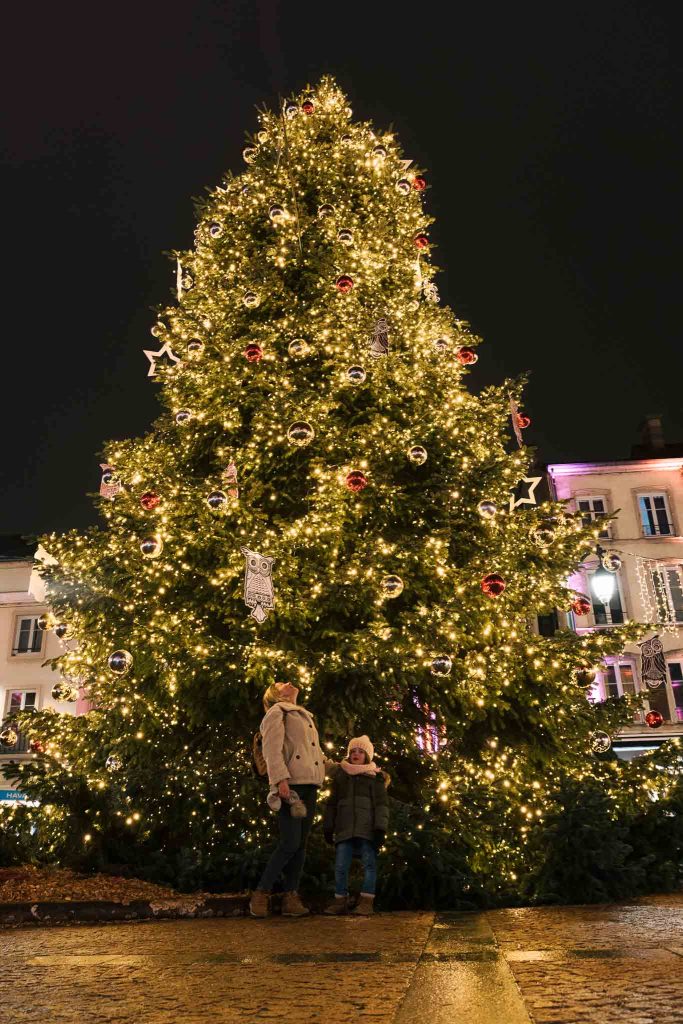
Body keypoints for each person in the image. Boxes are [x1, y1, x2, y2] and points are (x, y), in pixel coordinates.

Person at [249, 681, 326, 918]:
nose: (289, 683)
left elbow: (316, 754)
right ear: (275, 695)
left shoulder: (304, 716)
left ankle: (290, 897)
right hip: (290, 785)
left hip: (310, 784)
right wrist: (280, 780)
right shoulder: (277, 712)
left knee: (300, 844)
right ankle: (261, 893)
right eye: (281, 684)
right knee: (290, 843)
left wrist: (344, 767)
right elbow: (271, 750)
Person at [323, 735, 389, 916]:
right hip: (344, 829)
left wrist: (380, 829)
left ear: (367, 755)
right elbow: (332, 804)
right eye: (353, 751)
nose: (356, 754)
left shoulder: (375, 778)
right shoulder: (341, 777)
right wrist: (328, 826)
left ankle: (366, 902)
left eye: (360, 751)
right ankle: (340, 900)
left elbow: (381, 805)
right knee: (340, 866)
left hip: (367, 830)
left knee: (369, 864)